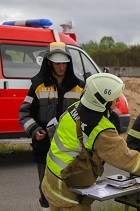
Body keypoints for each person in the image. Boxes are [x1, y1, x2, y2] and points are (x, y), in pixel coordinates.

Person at [41, 73, 140, 210]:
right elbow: (127, 159)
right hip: (68, 189)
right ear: (102, 101)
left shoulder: (75, 107)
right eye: (115, 98)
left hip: (50, 180)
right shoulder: (101, 130)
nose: (118, 100)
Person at [18, 42, 85, 210]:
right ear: (49, 62)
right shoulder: (37, 85)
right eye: (57, 63)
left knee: (71, 186)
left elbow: (86, 117)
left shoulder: (80, 87)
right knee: (45, 186)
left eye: (64, 63)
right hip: (44, 147)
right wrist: (34, 130)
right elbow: (24, 113)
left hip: (70, 148)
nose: (61, 67)